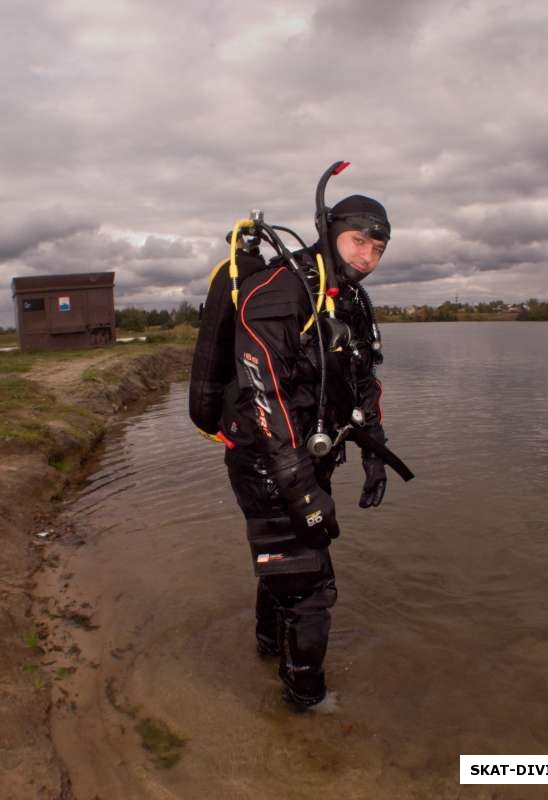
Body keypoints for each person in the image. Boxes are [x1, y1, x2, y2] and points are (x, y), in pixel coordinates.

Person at [190, 190, 390, 708]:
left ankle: (265, 651)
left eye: (378, 249)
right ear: (329, 232)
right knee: (311, 590)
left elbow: (363, 377)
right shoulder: (280, 292)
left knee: (287, 572)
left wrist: (374, 451)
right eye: (358, 242)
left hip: (306, 456)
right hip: (267, 462)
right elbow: (265, 394)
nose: (367, 257)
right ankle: (307, 707)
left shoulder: (345, 297)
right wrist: (302, 491)